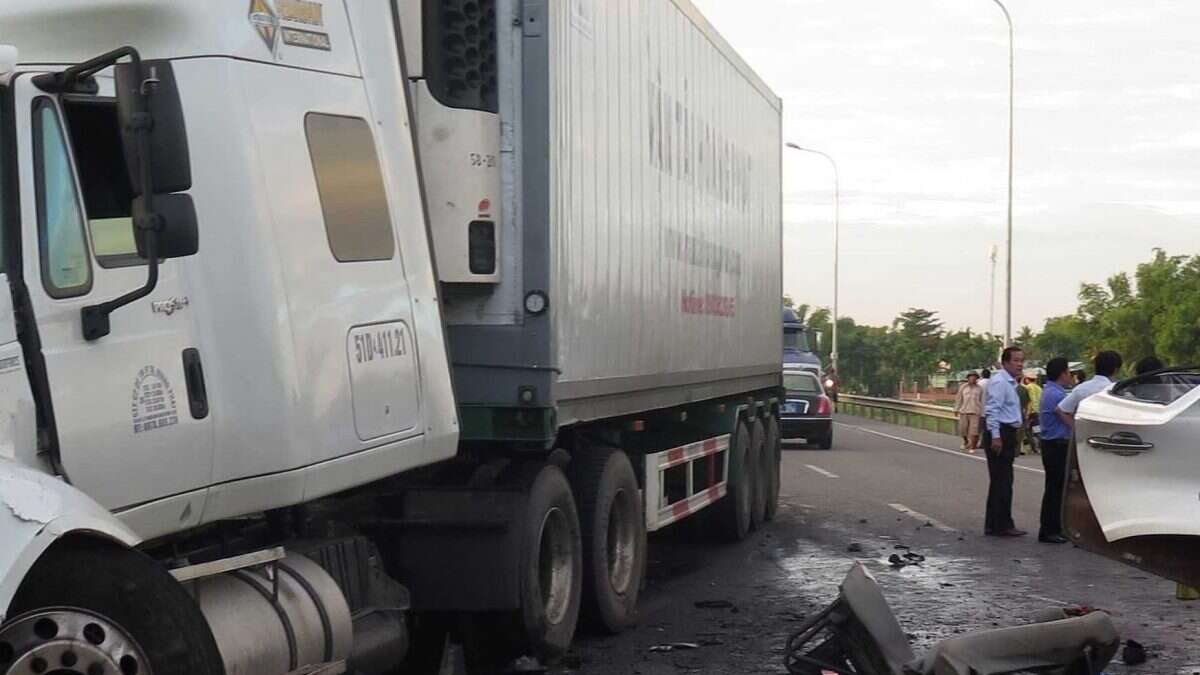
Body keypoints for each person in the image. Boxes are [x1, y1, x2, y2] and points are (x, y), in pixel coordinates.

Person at [983, 348, 1026, 537]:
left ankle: (995, 523)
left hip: (1007, 432)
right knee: (1002, 481)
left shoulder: (1010, 383)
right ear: (1005, 362)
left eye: (1021, 360)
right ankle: (1001, 524)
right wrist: (996, 436)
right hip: (1001, 432)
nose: (1020, 364)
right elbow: (992, 410)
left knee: (1001, 481)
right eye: (1016, 360)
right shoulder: (1000, 382)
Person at [1036, 358, 1073, 544]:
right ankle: (1049, 529)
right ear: (1062, 374)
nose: (1070, 376)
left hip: (1053, 443)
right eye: (1068, 372)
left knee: (1056, 488)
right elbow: (1065, 416)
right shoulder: (1056, 395)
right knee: (1055, 489)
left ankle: (1055, 527)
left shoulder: (1052, 391)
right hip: (1056, 444)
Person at [1058, 351, 1122, 426]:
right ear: (1116, 370)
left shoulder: (1081, 388)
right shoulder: (1117, 391)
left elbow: (1060, 410)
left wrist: (1076, 428)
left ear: (1095, 367)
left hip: (1086, 435)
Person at [953, 372, 984, 453]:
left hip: (975, 412)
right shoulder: (963, 387)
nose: (972, 379)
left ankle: (973, 447)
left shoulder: (979, 388)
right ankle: (966, 441)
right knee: (963, 430)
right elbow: (959, 399)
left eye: (974, 378)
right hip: (964, 411)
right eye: (971, 377)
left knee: (974, 431)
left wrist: (982, 411)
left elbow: (982, 400)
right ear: (968, 378)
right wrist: (956, 409)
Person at [1023, 375, 1043, 454]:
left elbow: (1030, 401)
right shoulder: (1039, 388)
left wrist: (1027, 413)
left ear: (1027, 379)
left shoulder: (1028, 387)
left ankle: (1033, 447)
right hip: (1038, 412)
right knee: (1037, 430)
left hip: (1031, 412)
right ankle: (1040, 446)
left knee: (1028, 430)